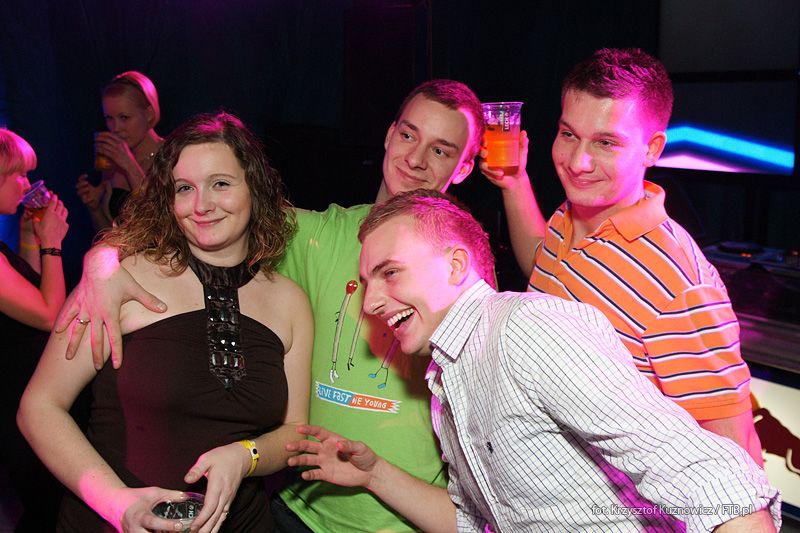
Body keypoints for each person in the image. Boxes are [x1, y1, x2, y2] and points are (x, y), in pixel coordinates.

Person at [54, 79, 484, 532]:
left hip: (404, 522)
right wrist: (102, 260)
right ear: (389, 134)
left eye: (440, 150)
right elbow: (203, 210)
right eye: (409, 135)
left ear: (463, 167)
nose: (416, 158)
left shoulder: (463, 270)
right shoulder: (318, 235)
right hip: (298, 512)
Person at [286, 189, 781, 532]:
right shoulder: (449, 377)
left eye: (390, 273)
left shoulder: (524, 329)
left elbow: (710, 478)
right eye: (367, 282)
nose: (371, 302)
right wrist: (373, 474)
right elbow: (480, 523)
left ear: (456, 265)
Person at [17, 112, 313, 532]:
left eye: (220, 184)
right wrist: (117, 503)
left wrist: (246, 456)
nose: (201, 205)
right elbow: (40, 407)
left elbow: (295, 431)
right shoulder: (120, 279)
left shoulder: (289, 301)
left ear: (255, 188)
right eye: (184, 188)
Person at [482, 48, 762, 464]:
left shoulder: (679, 286)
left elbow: (738, 454)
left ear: (652, 149)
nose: (578, 163)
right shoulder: (570, 215)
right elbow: (543, 267)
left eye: (606, 142)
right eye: (569, 135)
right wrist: (515, 183)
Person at [0, 128, 69, 531]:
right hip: (15, 403)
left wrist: (30, 237)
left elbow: (30, 295)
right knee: (47, 511)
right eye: (18, 174)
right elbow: (48, 315)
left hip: (24, 394)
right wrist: (52, 245)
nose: (27, 184)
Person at [76, 70, 164, 231]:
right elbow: (109, 235)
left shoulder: (170, 156)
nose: (115, 128)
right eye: (109, 118)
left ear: (149, 114)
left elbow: (160, 222)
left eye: (124, 118)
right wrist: (94, 208)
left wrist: (129, 165)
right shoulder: (112, 163)